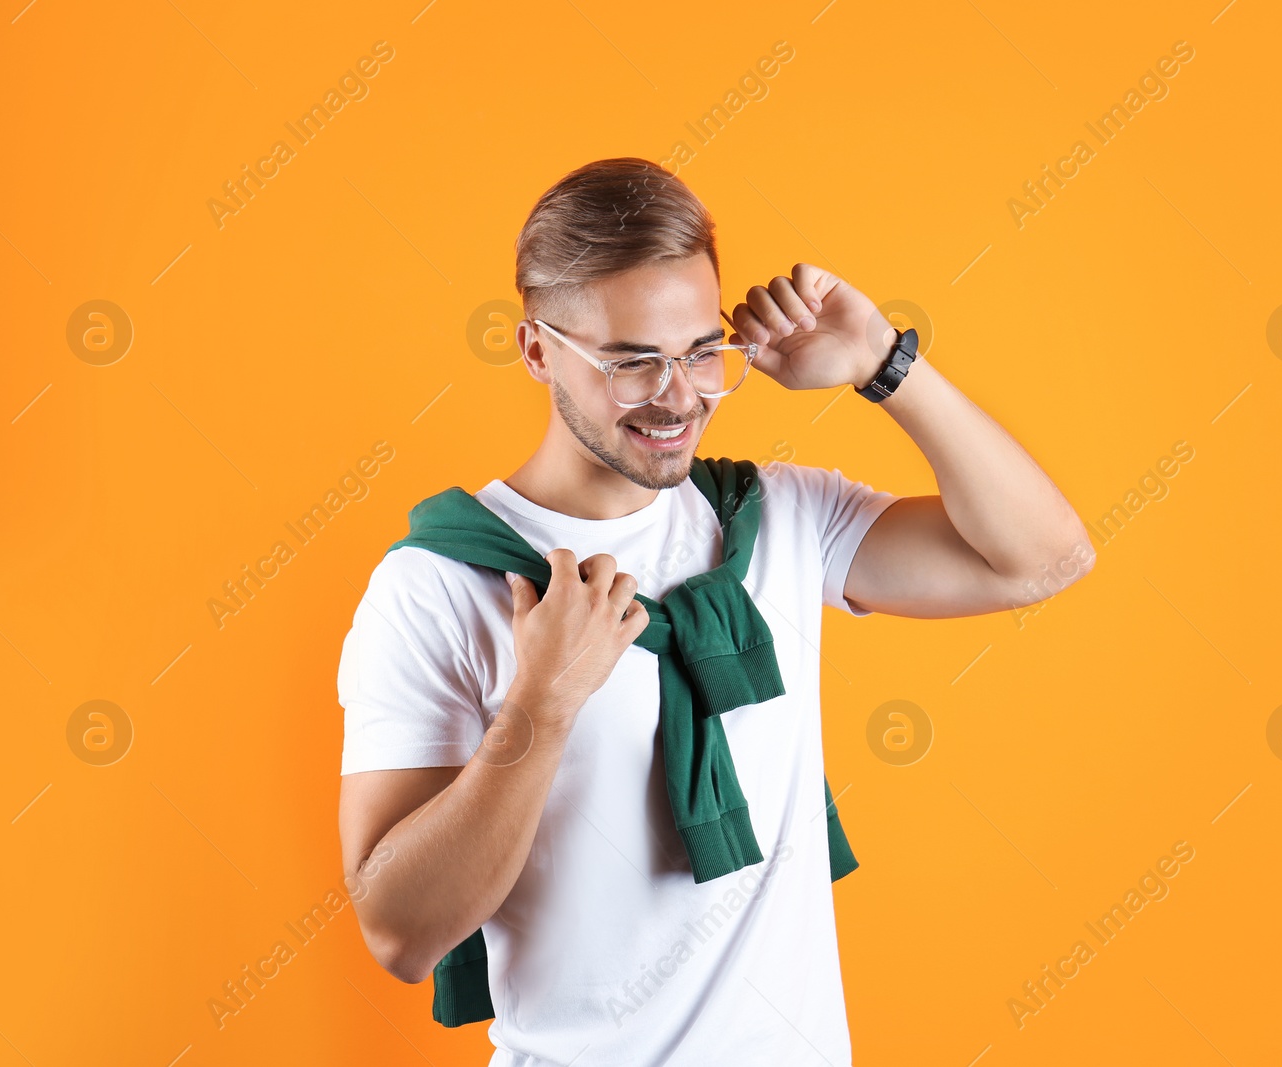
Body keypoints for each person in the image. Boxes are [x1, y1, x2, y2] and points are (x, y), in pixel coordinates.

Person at [336, 157, 1094, 1066]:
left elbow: (1045, 560)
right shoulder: (439, 584)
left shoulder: (779, 521)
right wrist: (541, 708)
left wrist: (883, 363)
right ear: (537, 349)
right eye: (632, 363)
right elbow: (399, 933)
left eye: (702, 352)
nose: (679, 396)